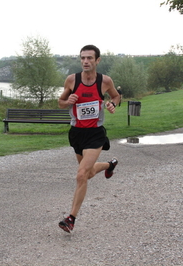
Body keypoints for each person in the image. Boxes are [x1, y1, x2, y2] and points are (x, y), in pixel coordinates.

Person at [57, 45, 121, 233]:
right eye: (83, 58)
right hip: (76, 133)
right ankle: (110, 165)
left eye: (89, 58)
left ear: (97, 60)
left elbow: (116, 96)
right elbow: (60, 102)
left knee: (81, 174)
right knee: (89, 173)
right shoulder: (71, 80)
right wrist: (66, 102)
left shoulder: (105, 81)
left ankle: (71, 218)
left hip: (95, 134)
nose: (85, 61)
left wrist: (112, 104)